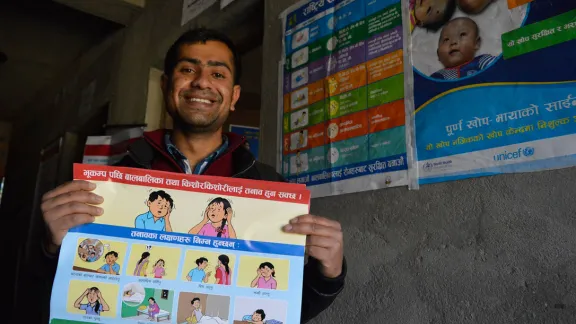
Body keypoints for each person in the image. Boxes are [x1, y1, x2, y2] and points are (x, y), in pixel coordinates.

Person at [40, 27, 346, 324]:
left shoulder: (272, 190)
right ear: (165, 85)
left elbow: (282, 310)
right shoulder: (109, 185)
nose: (201, 83)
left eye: (217, 74)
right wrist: (53, 248)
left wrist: (329, 273)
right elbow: (69, 290)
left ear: (234, 95)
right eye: (187, 70)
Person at [431, 17, 497, 80]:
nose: (453, 42)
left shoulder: (482, 61)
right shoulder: (435, 78)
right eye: (446, 39)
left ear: (476, 43)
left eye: (462, 35)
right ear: (438, 54)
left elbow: (501, 66)